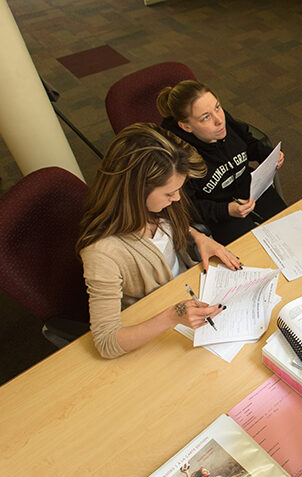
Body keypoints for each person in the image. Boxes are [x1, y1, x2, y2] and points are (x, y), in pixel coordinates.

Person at [77, 123, 242, 359]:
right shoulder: (102, 253)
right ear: (134, 192)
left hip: (186, 294)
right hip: (157, 322)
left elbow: (167, 232)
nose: (176, 199)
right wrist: (173, 315)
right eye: (168, 193)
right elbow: (106, 342)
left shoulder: (155, 208)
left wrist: (197, 236)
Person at [158, 80, 287, 245]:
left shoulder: (222, 121)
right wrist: (226, 210)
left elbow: (248, 142)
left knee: (289, 228)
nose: (219, 120)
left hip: (251, 188)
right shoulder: (178, 158)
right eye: (206, 117)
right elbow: (188, 206)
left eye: (217, 107)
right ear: (186, 127)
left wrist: (268, 156)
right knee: (251, 252)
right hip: (218, 211)